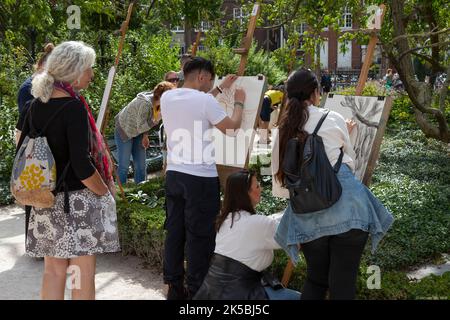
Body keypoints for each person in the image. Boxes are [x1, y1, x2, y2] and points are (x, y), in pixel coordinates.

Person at [272, 68, 394, 300]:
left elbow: (282, 188)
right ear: (316, 93)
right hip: (348, 210)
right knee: (343, 282)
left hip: (307, 213)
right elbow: (349, 165)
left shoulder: (282, 131)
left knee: (316, 280)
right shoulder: (333, 118)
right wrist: (346, 133)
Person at [15, 41, 120, 300]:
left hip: (44, 200)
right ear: (74, 70)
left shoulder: (34, 105)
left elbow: (21, 145)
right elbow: (83, 166)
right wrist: (105, 193)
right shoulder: (73, 107)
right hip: (76, 202)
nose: (92, 75)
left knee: (53, 271)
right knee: (81, 273)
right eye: (88, 69)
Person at [160, 56, 246, 299]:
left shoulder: (168, 97)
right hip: (200, 178)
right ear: (202, 77)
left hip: (175, 175)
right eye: (210, 80)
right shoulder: (205, 101)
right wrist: (238, 103)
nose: (211, 84)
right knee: (200, 237)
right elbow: (231, 128)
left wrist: (220, 89)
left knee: (175, 232)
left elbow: (198, 103)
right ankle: (198, 292)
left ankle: (174, 289)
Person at [194, 170, 301, 300]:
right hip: (242, 295)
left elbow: (264, 225)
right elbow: (294, 236)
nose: (260, 188)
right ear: (246, 194)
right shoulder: (258, 224)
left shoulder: (226, 219)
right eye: (257, 186)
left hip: (211, 293)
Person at [114, 81, 175, 185]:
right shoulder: (145, 104)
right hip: (124, 130)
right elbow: (143, 125)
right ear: (162, 96)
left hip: (138, 131)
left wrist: (145, 136)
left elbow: (145, 121)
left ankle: (141, 190)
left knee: (141, 165)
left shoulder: (158, 104)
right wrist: (155, 121)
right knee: (124, 165)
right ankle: (121, 191)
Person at [16, 43, 55, 145]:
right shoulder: (27, 89)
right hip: (35, 149)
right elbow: (24, 125)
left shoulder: (52, 85)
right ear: (42, 65)